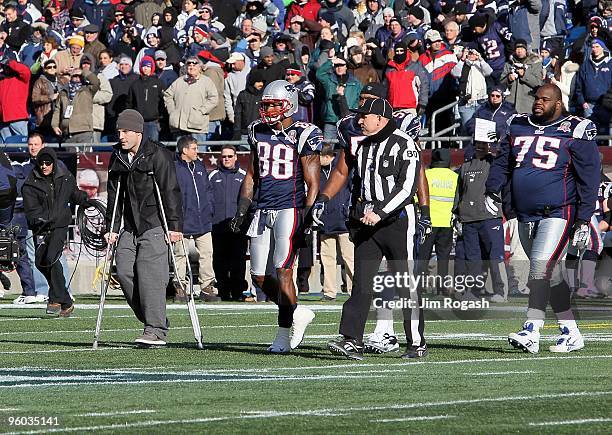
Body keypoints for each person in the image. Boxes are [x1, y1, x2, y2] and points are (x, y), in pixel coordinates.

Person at [486, 84, 600, 353]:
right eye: (536, 98)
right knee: (551, 274)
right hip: (526, 214)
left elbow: (589, 177)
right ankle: (571, 332)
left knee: (539, 267)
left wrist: (584, 219)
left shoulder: (576, 128)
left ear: (558, 103)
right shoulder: (518, 124)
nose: (538, 103)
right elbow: (503, 162)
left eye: (544, 99)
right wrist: (492, 190)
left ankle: (532, 330)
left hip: (559, 212)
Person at [316, 97, 425, 360]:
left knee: (405, 283)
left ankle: (416, 343)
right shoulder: (359, 143)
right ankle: (351, 338)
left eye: (365, 116)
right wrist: (323, 199)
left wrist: (381, 211)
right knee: (362, 282)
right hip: (367, 219)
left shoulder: (404, 143)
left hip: (398, 220)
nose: (360, 120)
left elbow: (407, 187)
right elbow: (342, 173)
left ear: (380, 118)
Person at [230, 80, 320, 353]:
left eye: (274, 104)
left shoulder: (303, 133)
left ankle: (283, 333)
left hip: (289, 208)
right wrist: (242, 208)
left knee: (283, 272)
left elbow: (313, 182)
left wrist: (308, 214)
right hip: (262, 208)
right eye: (266, 104)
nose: (268, 110)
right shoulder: (257, 131)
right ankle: (296, 312)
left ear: (289, 104)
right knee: (258, 276)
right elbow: (251, 174)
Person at [105, 109, 183, 347]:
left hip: (154, 221)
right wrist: (112, 226)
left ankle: (156, 329)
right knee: (125, 271)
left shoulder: (157, 154)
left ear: (139, 132)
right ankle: (153, 318)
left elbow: (170, 191)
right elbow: (113, 194)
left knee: (149, 274)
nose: (122, 136)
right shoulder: (117, 156)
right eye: (119, 131)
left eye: (126, 131)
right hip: (129, 224)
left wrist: (174, 226)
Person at [23, 148, 91, 317]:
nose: (44, 166)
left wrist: (83, 198)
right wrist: (40, 219)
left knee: (51, 257)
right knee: (40, 261)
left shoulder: (65, 177)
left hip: (60, 224)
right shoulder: (31, 183)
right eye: (41, 163)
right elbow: (31, 210)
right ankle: (66, 301)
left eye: (48, 163)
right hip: (42, 226)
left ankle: (54, 298)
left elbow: (73, 194)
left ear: (53, 163)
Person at [174, 136, 220, 302]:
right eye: (194, 148)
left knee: (207, 254)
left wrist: (210, 208)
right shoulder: (174, 168)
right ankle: (180, 287)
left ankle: (207, 287)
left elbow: (207, 190)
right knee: (180, 255)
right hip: (182, 221)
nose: (197, 151)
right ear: (184, 150)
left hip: (203, 219)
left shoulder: (200, 166)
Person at [209, 145, 249, 301]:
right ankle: (224, 291)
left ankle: (238, 292)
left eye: (230, 156)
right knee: (220, 261)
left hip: (238, 228)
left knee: (238, 261)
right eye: (224, 156)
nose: (227, 159)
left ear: (236, 157)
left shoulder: (244, 176)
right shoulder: (212, 175)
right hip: (218, 226)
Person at [418, 148, 457, 296]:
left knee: (423, 256)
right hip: (447, 223)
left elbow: (418, 199)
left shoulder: (426, 175)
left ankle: (419, 286)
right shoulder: (454, 177)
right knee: (443, 258)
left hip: (428, 223)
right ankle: (442, 287)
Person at [317, 143, 354, 301]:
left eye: (318, 157)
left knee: (349, 257)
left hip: (343, 220)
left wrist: (347, 210)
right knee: (327, 258)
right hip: (325, 221)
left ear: (327, 156)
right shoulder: (317, 172)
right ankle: (329, 292)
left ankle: (354, 290)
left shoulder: (342, 167)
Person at [163, 56, 219, 144]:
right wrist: (172, 111)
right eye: (189, 65)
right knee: (181, 155)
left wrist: (201, 111)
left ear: (200, 68)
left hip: (197, 126)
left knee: (198, 154)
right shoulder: (179, 81)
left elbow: (214, 98)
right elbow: (167, 95)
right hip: (179, 125)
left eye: (194, 65)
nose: (191, 67)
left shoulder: (206, 81)